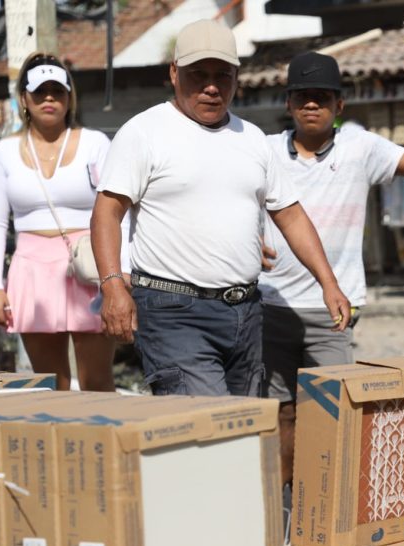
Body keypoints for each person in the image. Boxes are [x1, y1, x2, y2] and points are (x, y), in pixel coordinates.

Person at [91, 19, 350, 397]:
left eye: (223, 76)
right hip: (172, 311)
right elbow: (107, 212)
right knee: (207, 428)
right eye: (199, 75)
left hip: (245, 312)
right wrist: (113, 286)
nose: (212, 87)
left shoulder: (253, 139)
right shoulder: (143, 132)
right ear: (175, 73)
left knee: (244, 431)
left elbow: (290, 215)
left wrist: (329, 283)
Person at [259, 51, 404, 487]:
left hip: (331, 310)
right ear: (288, 103)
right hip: (270, 304)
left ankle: (327, 499)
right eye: (302, 96)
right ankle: (287, 504)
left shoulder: (361, 148)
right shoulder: (263, 151)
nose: (311, 105)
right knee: (280, 410)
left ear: (339, 106)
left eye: (322, 97)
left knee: (333, 409)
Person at [0, 52, 126, 391]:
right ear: (24, 98)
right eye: (39, 91)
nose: (49, 98)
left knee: (97, 382)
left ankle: (102, 445)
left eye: (57, 91)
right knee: (50, 386)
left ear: (68, 96)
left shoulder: (95, 143)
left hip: (89, 266)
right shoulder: (3, 152)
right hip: (31, 270)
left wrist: (122, 274)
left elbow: (119, 212)